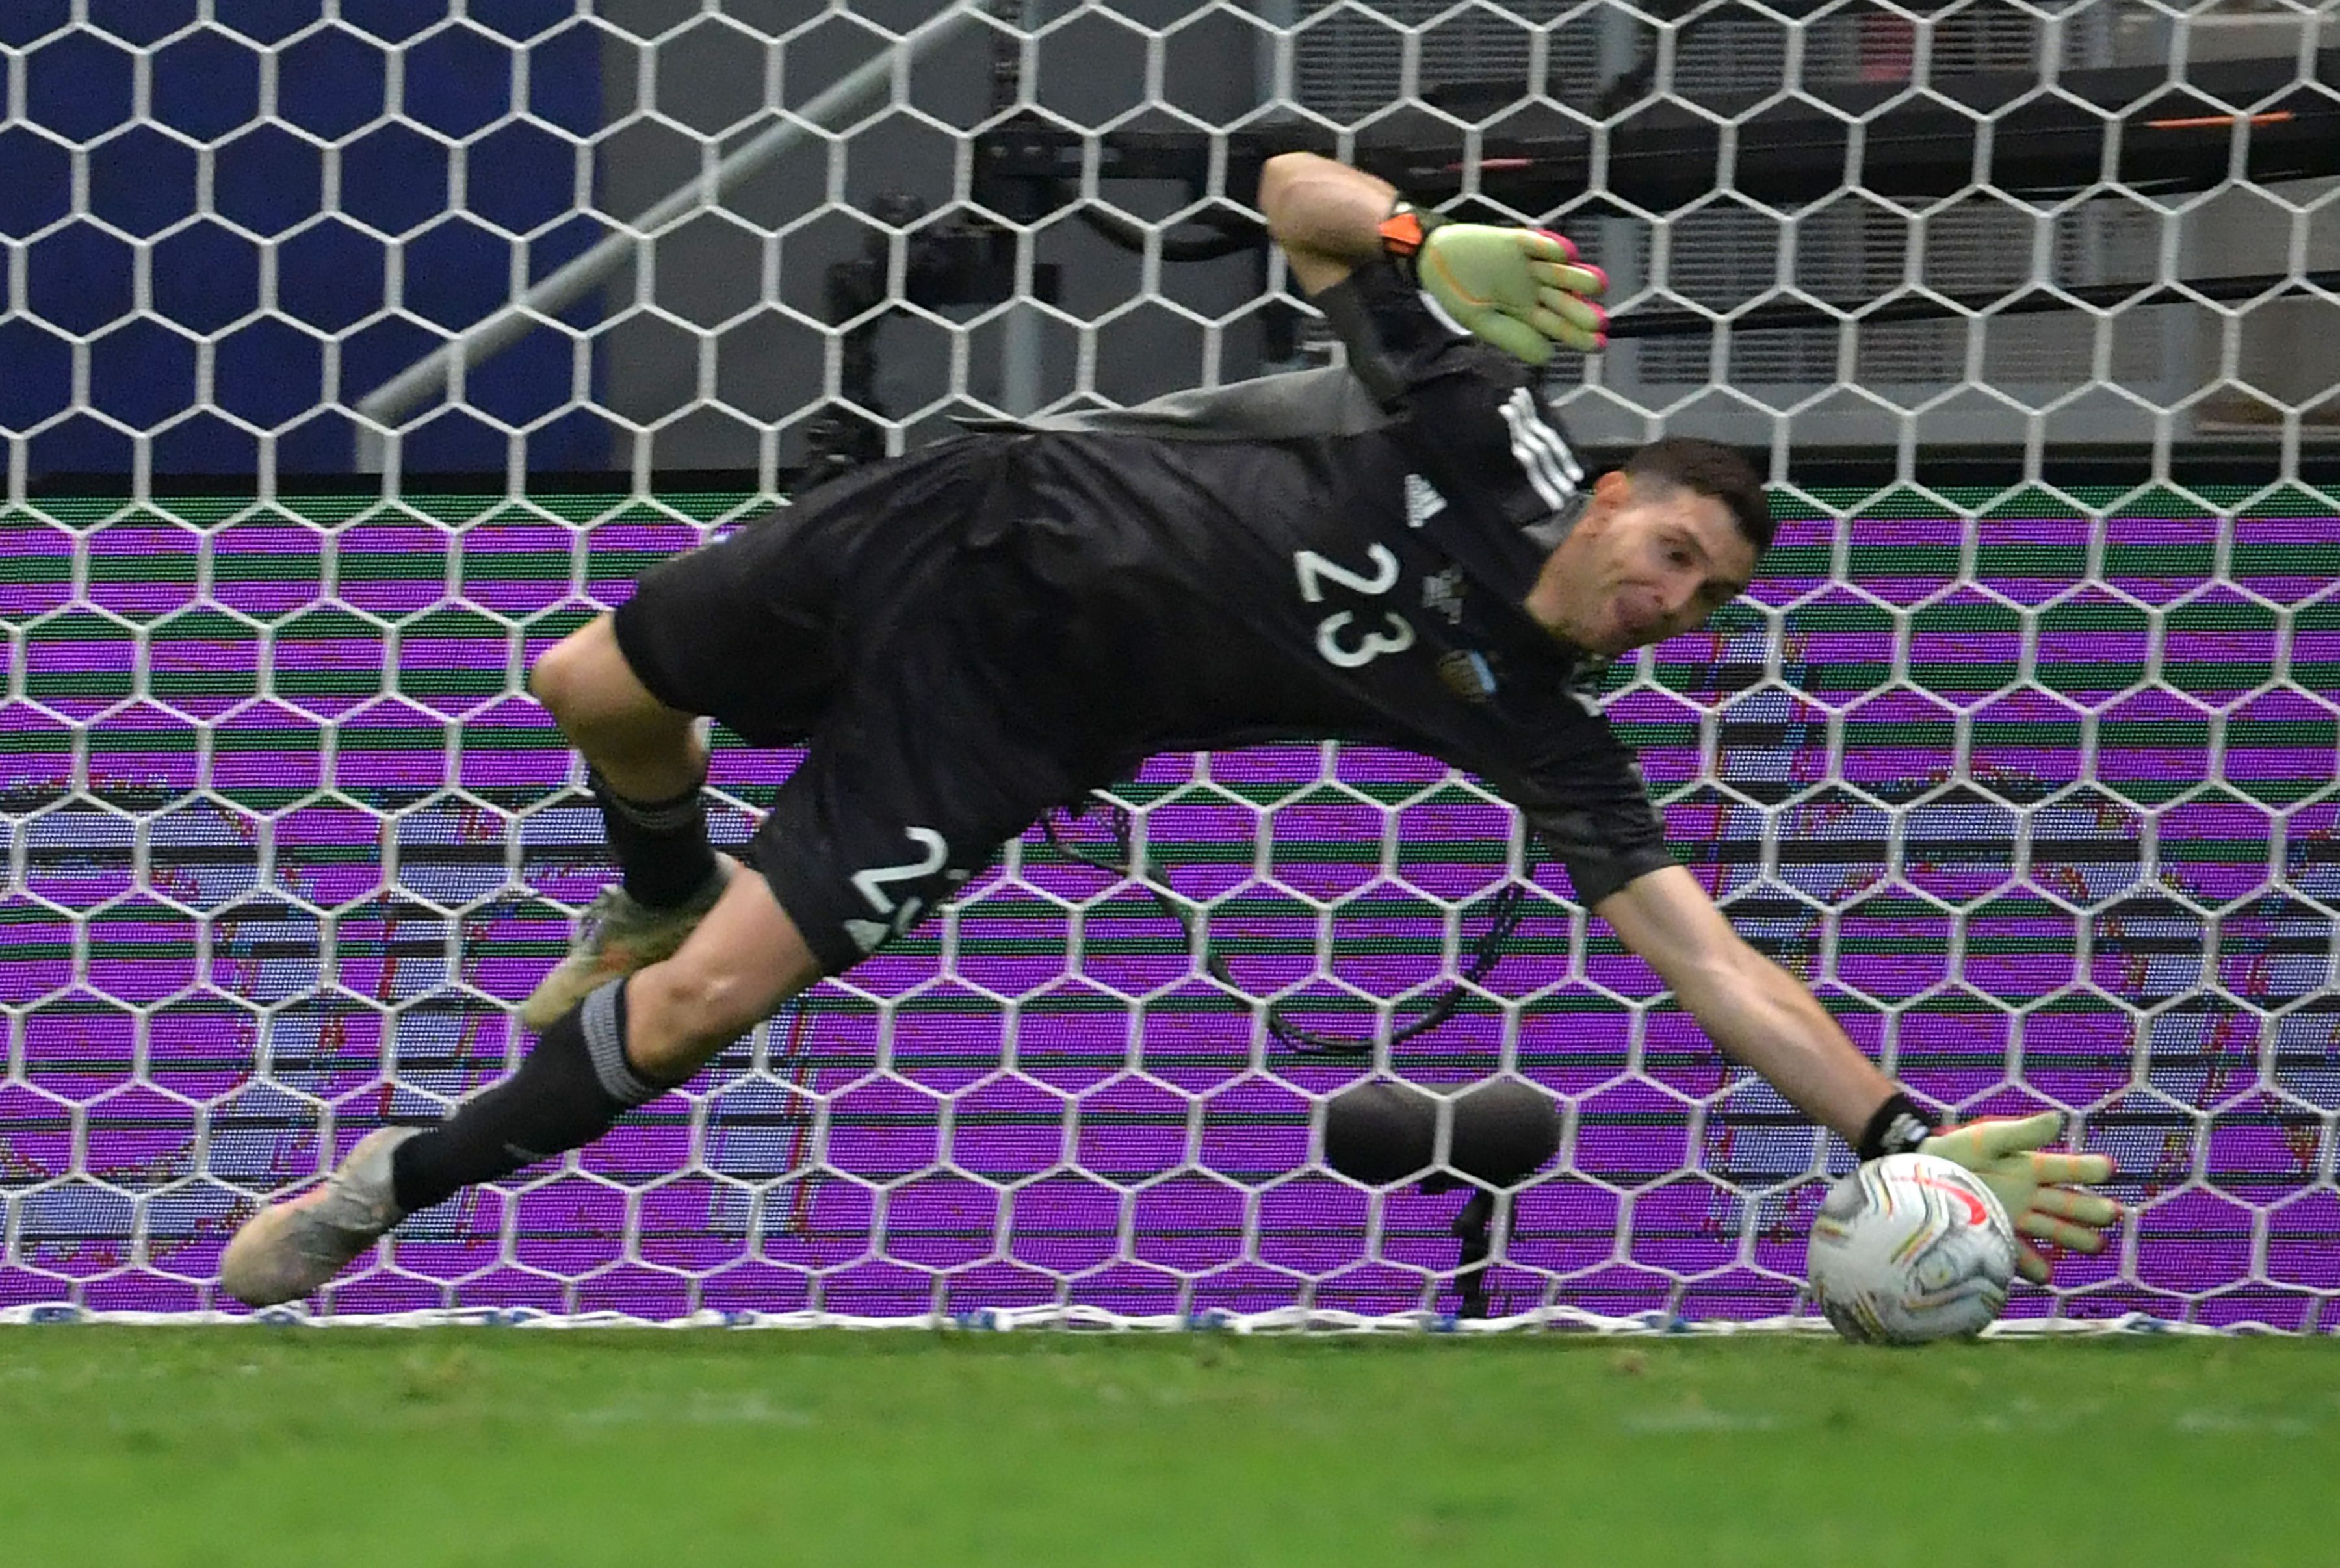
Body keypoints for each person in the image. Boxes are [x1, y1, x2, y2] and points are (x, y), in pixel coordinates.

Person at [221, 152, 2117, 1307]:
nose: (1673, 603)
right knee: (582, 691)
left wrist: (1905, 1131)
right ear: (1614, 491)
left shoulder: (1544, 726)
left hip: (1017, 727)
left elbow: (1713, 965)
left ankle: (379, 1193)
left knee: (716, 1006)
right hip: (956, 519)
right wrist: (1396, 230)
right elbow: (1287, 185)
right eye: (1677, 551)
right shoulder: (1473, 423)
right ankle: (647, 880)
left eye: (1707, 605)